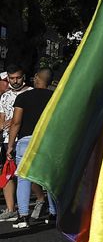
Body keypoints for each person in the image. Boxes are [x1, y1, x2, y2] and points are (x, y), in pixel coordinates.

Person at [7, 68, 56, 230]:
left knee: (23, 178)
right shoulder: (55, 97)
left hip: (26, 140)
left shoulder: (23, 97)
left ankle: (23, 216)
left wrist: (10, 145)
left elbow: (16, 122)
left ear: (36, 78)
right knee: (48, 179)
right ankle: (53, 213)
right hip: (48, 141)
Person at [0, 68, 29, 222]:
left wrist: (14, 121)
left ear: (23, 77)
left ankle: (39, 200)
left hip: (24, 137)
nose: (15, 81)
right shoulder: (5, 96)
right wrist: (3, 124)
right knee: (8, 173)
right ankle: (11, 209)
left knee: (25, 173)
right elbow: (2, 117)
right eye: (12, 78)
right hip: (7, 139)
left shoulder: (30, 92)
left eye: (18, 77)